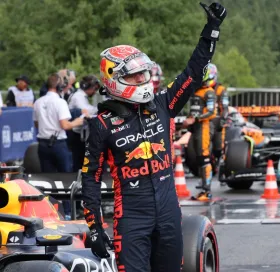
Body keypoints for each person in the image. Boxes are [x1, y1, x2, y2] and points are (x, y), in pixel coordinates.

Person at [81, 3, 226, 271]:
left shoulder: (163, 104)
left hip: (170, 214)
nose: (142, 79)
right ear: (114, 79)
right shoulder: (102, 124)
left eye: (143, 73)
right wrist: (95, 227)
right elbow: (90, 179)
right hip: (132, 218)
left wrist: (211, 30)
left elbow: (193, 73)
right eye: (133, 75)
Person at [33, 74, 84, 219]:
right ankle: (67, 213)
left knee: (48, 180)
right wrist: (79, 121)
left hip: (43, 144)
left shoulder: (38, 101)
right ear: (60, 87)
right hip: (58, 144)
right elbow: (65, 125)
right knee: (66, 179)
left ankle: (50, 212)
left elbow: (36, 124)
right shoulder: (60, 102)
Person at [187, 64, 219, 201]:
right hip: (196, 127)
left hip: (204, 127)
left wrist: (197, 119)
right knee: (199, 158)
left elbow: (212, 112)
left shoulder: (209, 92)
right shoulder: (196, 91)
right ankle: (203, 187)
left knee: (204, 158)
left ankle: (207, 191)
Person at [67, 75, 101, 171]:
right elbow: (87, 111)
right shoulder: (78, 97)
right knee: (77, 159)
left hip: (78, 132)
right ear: (87, 87)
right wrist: (101, 108)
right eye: (94, 89)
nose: (95, 92)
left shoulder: (81, 96)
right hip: (74, 132)